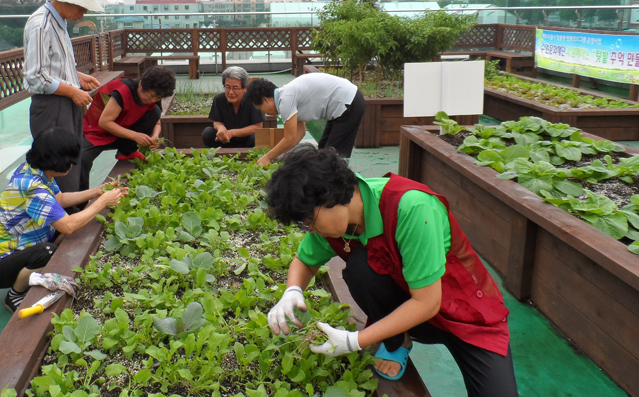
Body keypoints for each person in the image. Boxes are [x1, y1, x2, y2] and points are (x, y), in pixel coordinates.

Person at [265, 145, 518, 397]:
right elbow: (305, 260)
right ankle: (398, 341)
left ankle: (398, 335)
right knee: (360, 269)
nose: (310, 230)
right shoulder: (335, 223)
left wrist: (355, 341)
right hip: (415, 315)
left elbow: (428, 303)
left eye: (310, 221)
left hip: (467, 315)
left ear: (330, 197)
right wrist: (292, 290)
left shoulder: (412, 208)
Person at [0, 128, 128, 313]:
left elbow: (60, 199)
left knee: (68, 216)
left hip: (21, 248)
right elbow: (68, 226)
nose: (72, 164)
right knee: (48, 250)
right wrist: (102, 202)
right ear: (58, 160)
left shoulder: (35, 170)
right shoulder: (34, 188)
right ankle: (15, 295)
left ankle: (37, 271)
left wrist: (96, 192)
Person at [23, 0, 104, 194]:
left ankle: (76, 215)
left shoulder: (59, 22)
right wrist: (72, 91)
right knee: (60, 166)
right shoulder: (42, 24)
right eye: (81, 6)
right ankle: (64, 223)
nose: (83, 12)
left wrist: (76, 76)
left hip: (65, 102)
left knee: (73, 158)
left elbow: (51, 65)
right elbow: (36, 76)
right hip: (52, 106)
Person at [79, 66, 176, 192]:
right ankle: (80, 204)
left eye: (158, 98)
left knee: (155, 111)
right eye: (152, 96)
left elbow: (157, 122)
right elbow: (104, 122)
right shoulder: (123, 90)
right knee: (81, 159)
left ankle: (127, 151)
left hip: (124, 133)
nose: (153, 100)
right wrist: (135, 136)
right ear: (141, 85)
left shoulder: (154, 96)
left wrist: (155, 136)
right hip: (97, 132)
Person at [244, 73, 364, 166]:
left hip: (348, 103)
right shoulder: (287, 95)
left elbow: (290, 138)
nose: (263, 112)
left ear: (265, 100)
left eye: (260, 108)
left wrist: (268, 157)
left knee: (330, 158)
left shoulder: (285, 100)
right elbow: (299, 134)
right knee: (323, 151)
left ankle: (339, 191)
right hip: (345, 103)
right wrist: (278, 156)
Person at [202, 66, 264, 148]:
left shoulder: (253, 100)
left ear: (245, 88)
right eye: (228, 87)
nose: (231, 92)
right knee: (207, 133)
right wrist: (220, 128)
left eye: (235, 88)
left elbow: (258, 127)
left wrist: (232, 133)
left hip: (247, 141)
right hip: (226, 141)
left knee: (257, 137)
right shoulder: (219, 99)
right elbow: (216, 121)